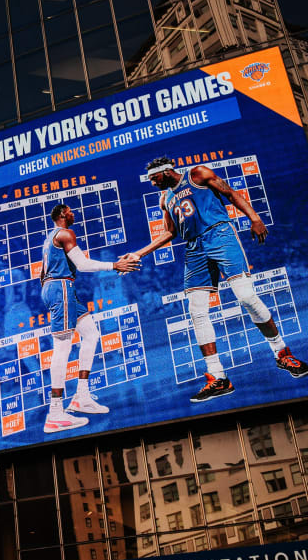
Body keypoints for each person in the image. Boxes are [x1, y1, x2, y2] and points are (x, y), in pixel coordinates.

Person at [126, 156, 307, 402]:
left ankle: (282, 353)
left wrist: (254, 218)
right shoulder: (165, 199)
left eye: (153, 177)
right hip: (194, 247)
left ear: (166, 171)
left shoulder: (197, 174)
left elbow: (231, 194)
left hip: (220, 234)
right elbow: (170, 232)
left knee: (246, 297)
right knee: (196, 312)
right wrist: (138, 253)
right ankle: (217, 377)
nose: (151, 182)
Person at [41, 203, 140, 433]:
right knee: (62, 347)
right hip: (61, 288)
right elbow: (83, 265)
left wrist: (53, 291)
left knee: (91, 334)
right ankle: (55, 412)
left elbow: (42, 273)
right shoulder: (66, 233)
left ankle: (81, 396)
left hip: (57, 287)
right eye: (71, 211)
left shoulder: (48, 239)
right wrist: (115, 265)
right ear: (63, 214)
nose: (74, 213)